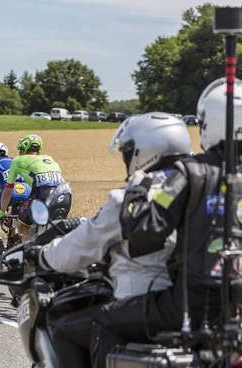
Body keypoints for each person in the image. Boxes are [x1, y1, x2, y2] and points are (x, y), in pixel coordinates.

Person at [88, 78, 242, 367]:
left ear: (210, 124)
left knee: (105, 320)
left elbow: (146, 233)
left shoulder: (191, 172)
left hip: (196, 305)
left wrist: (136, 189)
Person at [33, 113, 192, 368]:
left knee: (63, 329)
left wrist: (40, 256)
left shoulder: (131, 198)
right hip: (191, 304)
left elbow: (78, 249)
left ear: (144, 151)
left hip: (140, 298)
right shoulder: (197, 190)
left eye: (128, 152)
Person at [0, 134, 71, 241]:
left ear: (23, 149)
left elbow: (8, 190)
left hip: (42, 193)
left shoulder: (17, 161)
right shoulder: (49, 158)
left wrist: (2, 212)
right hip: (65, 194)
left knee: (23, 226)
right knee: (54, 231)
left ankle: (29, 255)